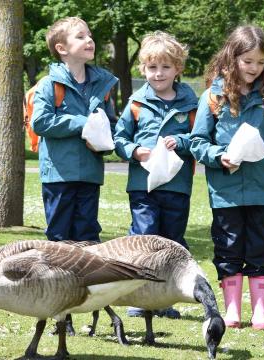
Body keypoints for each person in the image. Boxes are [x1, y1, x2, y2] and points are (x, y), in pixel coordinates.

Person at [190, 26, 264, 331]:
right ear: (232, 58)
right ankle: (232, 310)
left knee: (258, 247)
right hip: (225, 190)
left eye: (260, 62)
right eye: (248, 61)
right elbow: (198, 141)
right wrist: (218, 156)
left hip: (262, 188)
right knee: (228, 247)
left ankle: (260, 312)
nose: (254, 68)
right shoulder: (213, 97)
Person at [114, 31, 197, 319]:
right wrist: (135, 150)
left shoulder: (190, 105)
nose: (158, 74)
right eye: (152, 68)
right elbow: (120, 138)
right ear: (143, 70)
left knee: (172, 242)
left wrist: (183, 142)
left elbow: (199, 139)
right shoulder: (136, 103)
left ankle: (164, 299)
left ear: (178, 69)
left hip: (177, 185)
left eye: (165, 67)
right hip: (142, 185)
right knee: (145, 237)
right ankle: (139, 296)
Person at [31, 16, 118, 242]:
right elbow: (40, 122)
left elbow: (110, 126)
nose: (89, 40)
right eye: (80, 37)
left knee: (88, 238)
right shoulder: (48, 84)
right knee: (60, 238)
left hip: (90, 175)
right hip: (59, 177)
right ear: (62, 48)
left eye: (89, 35)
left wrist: (104, 144)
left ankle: (86, 280)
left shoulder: (103, 84)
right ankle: (58, 279)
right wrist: (83, 123)